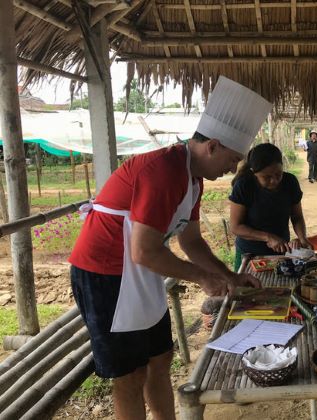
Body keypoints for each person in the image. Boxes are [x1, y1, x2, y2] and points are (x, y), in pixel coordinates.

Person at [68, 76, 269, 420]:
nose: (233, 169)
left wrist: (229, 276)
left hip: (139, 272)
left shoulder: (192, 180)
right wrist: (202, 279)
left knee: (160, 358)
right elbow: (144, 251)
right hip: (106, 275)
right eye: (233, 159)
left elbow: (191, 241)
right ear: (213, 146)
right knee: (130, 374)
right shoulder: (162, 170)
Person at [229, 142, 311, 271]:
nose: (274, 180)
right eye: (266, 177)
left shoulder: (290, 182)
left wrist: (302, 238)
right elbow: (235, 227)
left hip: (282, 252)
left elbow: (297, 217)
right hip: (249, 254)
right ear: (253, 173)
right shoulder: (244, 186)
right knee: (246, 289)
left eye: (278, 174)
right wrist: (268, 237)